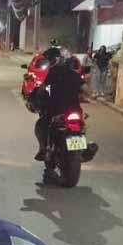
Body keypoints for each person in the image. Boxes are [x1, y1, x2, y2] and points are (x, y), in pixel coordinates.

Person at [30, 47, 84, 180]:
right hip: (75, 111)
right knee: (81, 126)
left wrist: (37, 95)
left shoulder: (53, 73)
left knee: (42, 124)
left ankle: (44, 148)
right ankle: (83, 148)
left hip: (56, 111)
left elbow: (44, 89)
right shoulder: (74, 75)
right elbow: (82, 90)